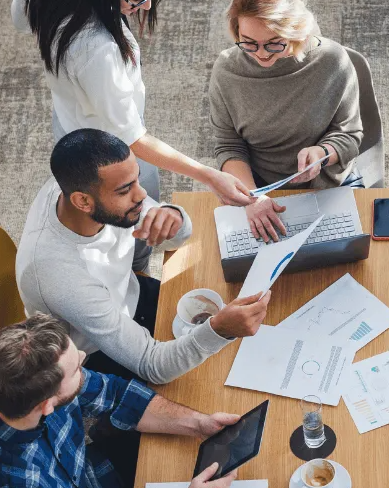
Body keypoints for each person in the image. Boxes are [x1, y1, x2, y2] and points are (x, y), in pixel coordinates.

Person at [12, 0, 255, 272]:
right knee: (130, 216)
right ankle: (136, 269)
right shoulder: (97, 51)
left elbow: (19, 18)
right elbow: (133, 137)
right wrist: (210, 176)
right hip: (110, 148)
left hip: (69, 116)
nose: (149, 6)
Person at [16, 129, 269, 386]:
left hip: (130, 293)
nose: (141, 195)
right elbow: (153, 365)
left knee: (240, 335)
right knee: (213, 381)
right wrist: (220, 330)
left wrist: (175, 217)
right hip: (93, 350)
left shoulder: (87, 189)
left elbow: (177, 237)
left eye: (137, 179)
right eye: (125, 190)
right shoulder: (59, 274)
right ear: (82, 201)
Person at [0, 314, 241, 488]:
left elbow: (114, 395)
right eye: (76, 370)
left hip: (83, 473)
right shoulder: (9, 484)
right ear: (46, 406)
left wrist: (198, 423)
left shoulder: (7, 371)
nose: (84, 359)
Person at [210, 0, 364, 243]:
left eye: (274, 44)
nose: (261, 55)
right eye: (248, 43)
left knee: (352, 260)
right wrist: (253, 196)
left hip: (330, 182)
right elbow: (228, 146)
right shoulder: (227, 72)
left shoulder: (332, 61)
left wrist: (322, 154)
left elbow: (349, 135)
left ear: (296, 31)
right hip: (259, 187)